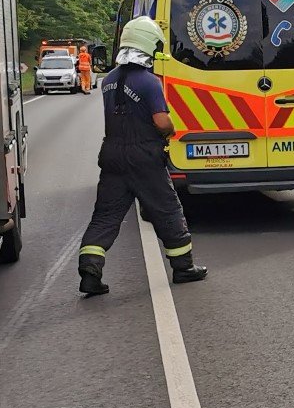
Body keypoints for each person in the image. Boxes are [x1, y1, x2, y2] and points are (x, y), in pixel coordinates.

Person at [76, 17, 207, 296]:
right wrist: (171, 130)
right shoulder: (149, 82)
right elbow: (161, 122)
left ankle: (90, 269)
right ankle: (184, 267)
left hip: (112, 155)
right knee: (167, 210)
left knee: (106, 216)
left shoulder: (108, 80)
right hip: (145, 157)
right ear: (148, 45)